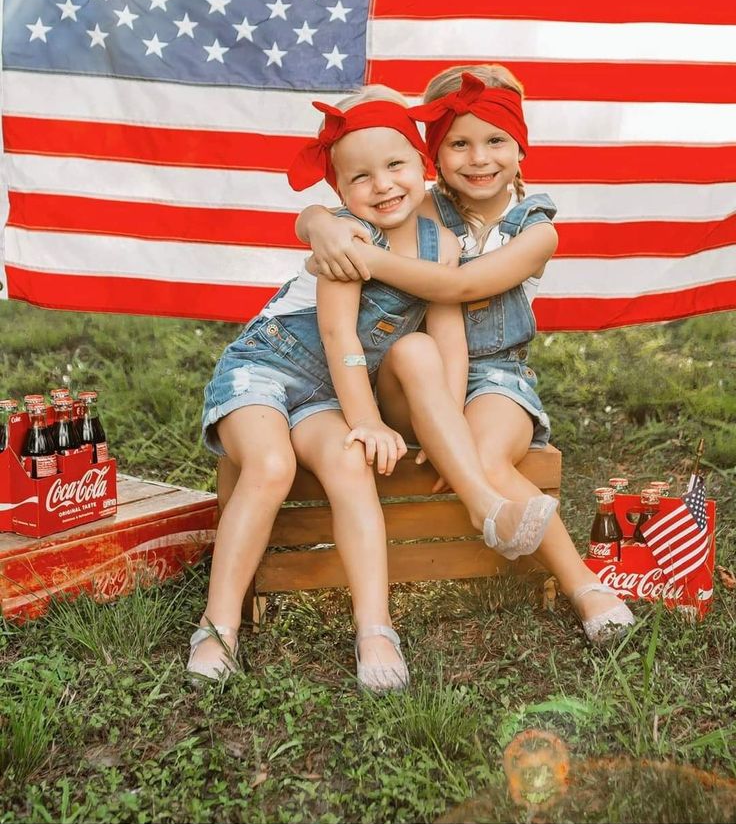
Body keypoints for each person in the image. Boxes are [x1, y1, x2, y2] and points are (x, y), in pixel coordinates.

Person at [191, 90, 556, 688]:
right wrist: (367, 418)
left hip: (331, 394)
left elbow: (448, 340)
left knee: (349, 467)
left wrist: (448, 436)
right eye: (361, 177)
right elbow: (337, 334)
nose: (383, 185)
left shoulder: (444, 243)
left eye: (395, 167)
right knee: (271, 462)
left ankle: (376, 629)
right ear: (340, 192)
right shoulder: (345, 237)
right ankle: (218, 625)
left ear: (422, 165)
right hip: (270, 364)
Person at [297, 65, 634, 644]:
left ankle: (584, 584)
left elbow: (456, 289)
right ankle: (489, 507)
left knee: (488, 456)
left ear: (520, 147)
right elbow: (345, 201)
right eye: (459, 143)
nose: (478, 158)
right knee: (412, 345)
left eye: (495, 141)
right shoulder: (420, 203)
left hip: (496, 374)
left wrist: (361, 256)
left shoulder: (537, 230)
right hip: (406, 375)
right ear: (432, 152)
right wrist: (318, 223)